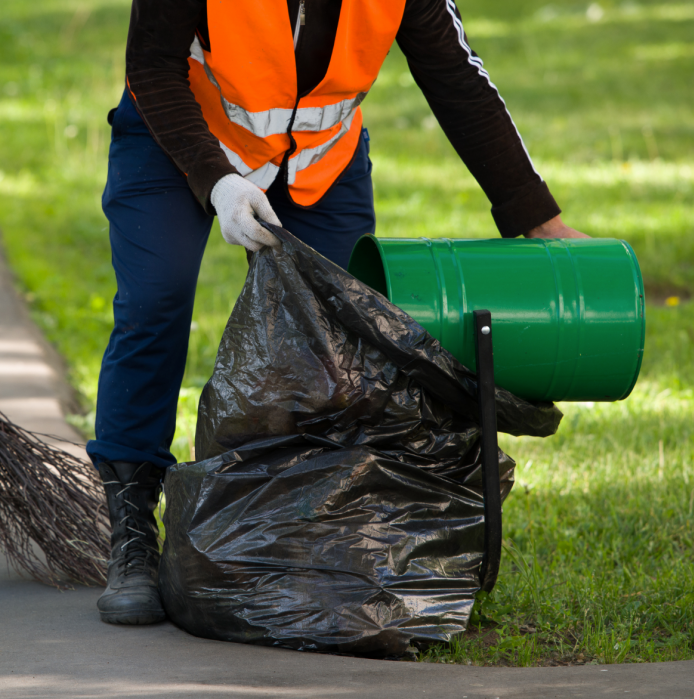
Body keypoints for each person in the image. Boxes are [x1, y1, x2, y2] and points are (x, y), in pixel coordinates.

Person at [87, 0, 589, 626]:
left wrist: (538, 219)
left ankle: (282, 545)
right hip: (178, 133)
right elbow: (152, 64)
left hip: (320, 160)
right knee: (154, 300)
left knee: (331, 348)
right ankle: (133, 532)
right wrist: (218, 181)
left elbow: (455, 73)